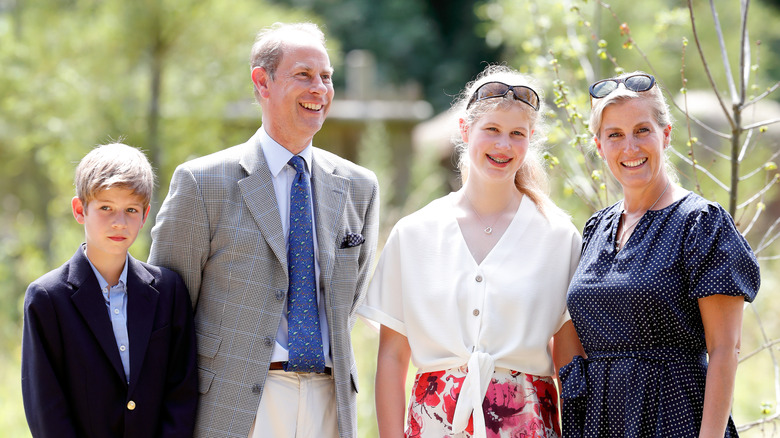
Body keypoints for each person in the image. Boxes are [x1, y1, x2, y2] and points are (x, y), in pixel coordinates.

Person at [148, 22, 379, 438]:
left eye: (326, 77)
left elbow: (351, 298)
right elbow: (166, 313)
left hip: (330, 404)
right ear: (262, 81)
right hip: (235, 407)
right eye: (304, 75)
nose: (320, 89)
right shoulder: (202, 183)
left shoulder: (359, 187)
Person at [359, 65, 584, 438]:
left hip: (528, 423)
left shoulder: (558, 235)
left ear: (530, 140)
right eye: (492, 130)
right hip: (433, 423)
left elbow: (568, 358)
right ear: (465, 130)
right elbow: (392, 357)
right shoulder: (414, 233)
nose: (503, 145)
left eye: (517, 134)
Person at [560, 72, 761, 437]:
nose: (630, 148)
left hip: (675, 418)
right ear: (599, 144)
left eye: (642, 130)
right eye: (615, 135)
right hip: (601, 422)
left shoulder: (701, 223)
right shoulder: (595, 228)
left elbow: (724, 349)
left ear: (665, 135)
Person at [21, 143, 198, 438]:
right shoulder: (47, 299)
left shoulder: (169, 291)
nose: (119, 221)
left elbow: (182, 391)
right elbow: (46, 408)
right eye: (106, 208)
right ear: (80, 210)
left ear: (145, 215)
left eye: (131, 209)